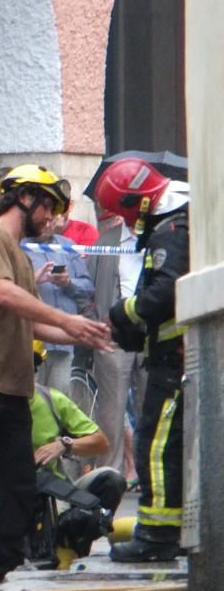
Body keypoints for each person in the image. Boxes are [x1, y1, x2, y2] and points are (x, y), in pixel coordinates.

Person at [0, 164, 112, 587]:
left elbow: (28, 322)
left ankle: (1, 561)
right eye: (49, 208)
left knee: (19, 478)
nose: (51, 219)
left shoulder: (21, 256)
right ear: (26, 199)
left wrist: (80, 331)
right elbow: (5, 295)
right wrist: (68, 323)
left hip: (11, 382)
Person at [0, 342, 126, 562]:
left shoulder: (51, 399)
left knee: (111, 480)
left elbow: (100, 442)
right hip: (0, 509)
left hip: (53, 499)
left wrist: (64, 445)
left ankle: (68, 543)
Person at [92, 158, 189, 563]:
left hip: (176, 362)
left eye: (127, 212)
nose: (128, 222)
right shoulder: (173, 225)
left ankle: (157, 538)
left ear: (142, 202)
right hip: (172, 358)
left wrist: (121, 314)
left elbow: (165, 293)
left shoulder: (171, 232)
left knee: (156, 447)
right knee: (163, 445)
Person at [86, 206, 145, 478]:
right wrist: (95, 323)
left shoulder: (158, 239)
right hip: (112, 335)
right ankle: (110, 476)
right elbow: (87, 289)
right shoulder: (106, 242)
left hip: (149, 335)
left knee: (151, 409)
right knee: (111, 413)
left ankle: (150, 477)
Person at [23, 216, 95, 397]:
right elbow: (8, 290)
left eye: (52, 219)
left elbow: (88, 288)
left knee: (59, 401)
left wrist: (68, 282)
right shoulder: (20, 246)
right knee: (30, 399)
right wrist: (34, 280)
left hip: (63, 342)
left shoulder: (68, 245)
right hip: (31, 342)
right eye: (44, 219)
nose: (47, 224)